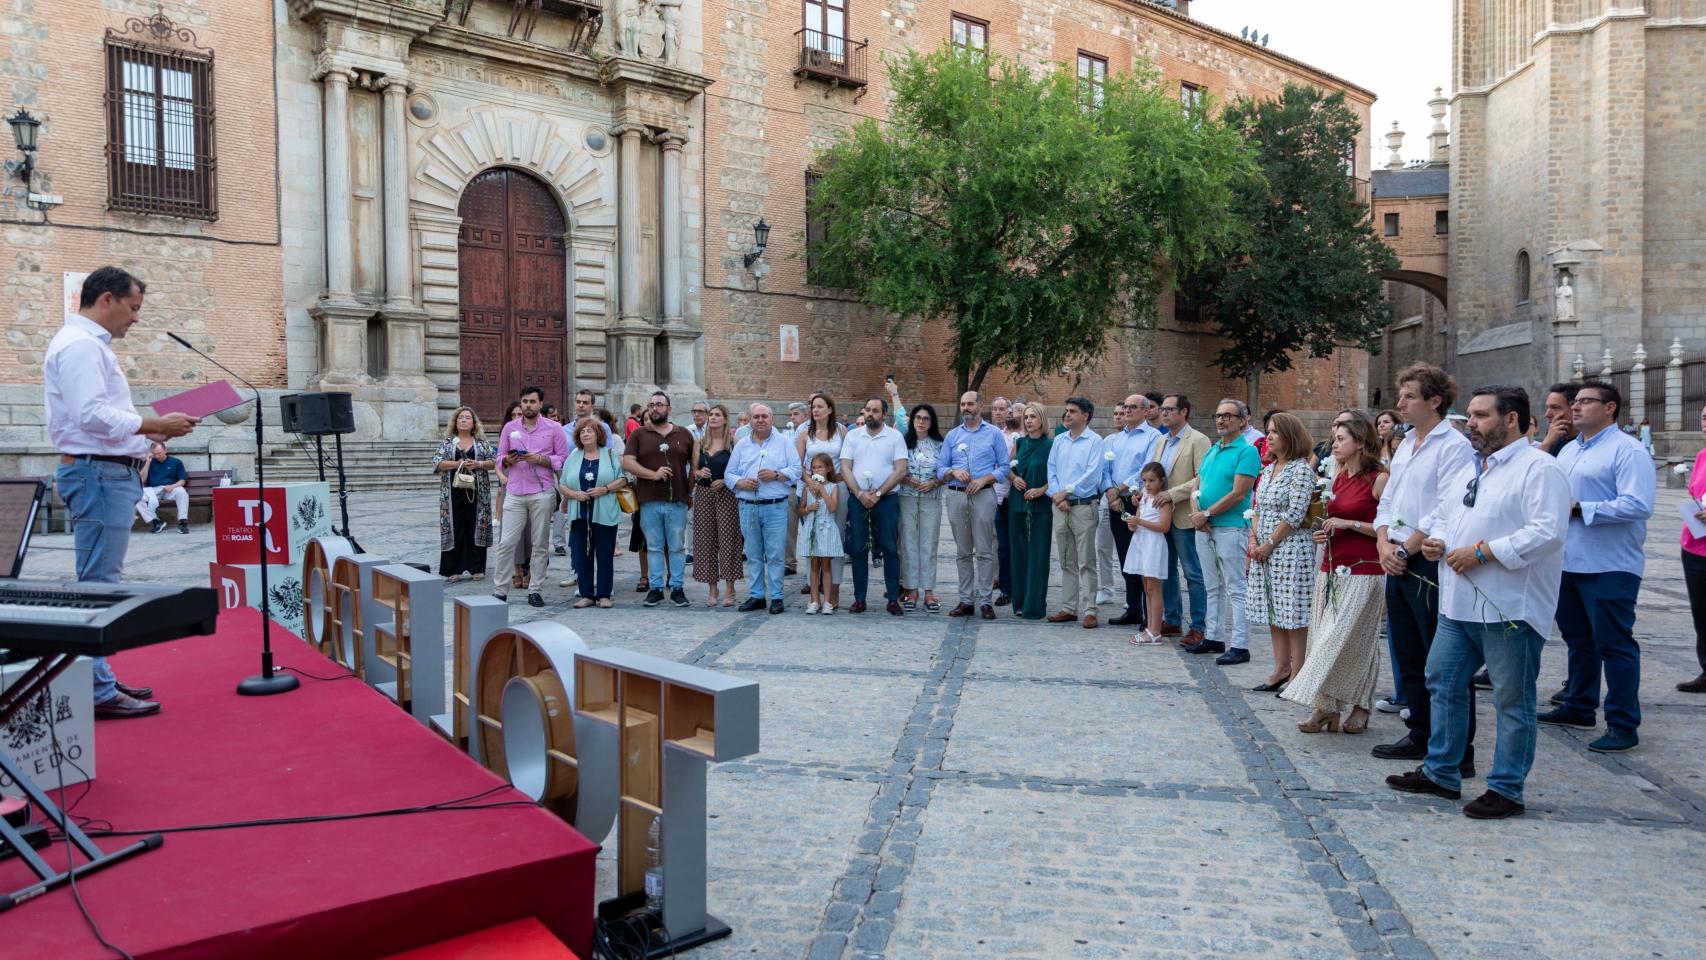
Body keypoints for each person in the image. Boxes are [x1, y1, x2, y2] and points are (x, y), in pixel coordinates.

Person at [1388, 385, 1570, 820]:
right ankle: (1441, 770)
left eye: (1481, 415)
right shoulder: (1475, 468)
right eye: (1470, 415)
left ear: (1512, 420)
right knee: (1442, 681)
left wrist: (1484, 552)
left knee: (1512, 699)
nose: (1470, 423)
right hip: (1458, 604)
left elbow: (1547, 532)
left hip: (1509, 608)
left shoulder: (1538, 468)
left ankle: (1506, 787)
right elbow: (1443, 516)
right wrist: (1434, 542)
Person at [45, 266, 198, 719]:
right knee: (98, 587)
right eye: (133, 309)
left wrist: (148, 439)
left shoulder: (88, 346)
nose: (136, 319)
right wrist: (155, 424)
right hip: (98, 475)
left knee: (100, 582)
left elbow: (99, 419)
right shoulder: (79, 347)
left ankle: (99, 678)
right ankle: (96, 691)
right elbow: (91, 415)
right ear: (107, 299)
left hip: (106, 472)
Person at [1372, 363, 1478, 770]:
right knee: (1408, 650)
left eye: (1409, 396)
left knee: (1441, 658)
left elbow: (1445, 507)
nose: (1400, 403)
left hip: (1424, 560)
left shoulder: (1453, 446)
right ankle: (1421, 731)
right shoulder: (1406, 444)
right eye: (1400, 395)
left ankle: (1456, 749)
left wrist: (1405, 550)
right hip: (1394, 553)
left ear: (1435, 401)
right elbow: (1389, 500)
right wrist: (1383, 540)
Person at [1543, 380, 1655, 752]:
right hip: (1568, 561)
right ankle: (1579, 704)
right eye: (1575, 402)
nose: (1576, 408)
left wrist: (1581, 509)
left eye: (1586, 402)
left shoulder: (1628, 450)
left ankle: (1623, 723)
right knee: (1578, 641)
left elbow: (1639, 504)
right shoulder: (1569, 450)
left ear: (1610, 408)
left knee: (1614, 644)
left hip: (1609, 564)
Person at [1284, 414, 1389, 733]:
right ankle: (1326, 707)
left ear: (1359, 442)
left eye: (1341, 439)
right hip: (1331, 566)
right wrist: (1323, 532)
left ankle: (1360, 704)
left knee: (1349, 639)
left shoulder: (1380, 478)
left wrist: (1350, 525)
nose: (1334, 444)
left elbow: (1392, 528)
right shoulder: (1335, 475)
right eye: (1334, 439)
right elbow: (1328, 517)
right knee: (1322, 636)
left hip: (1365, 568)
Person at [1184, 399, 1261, 664]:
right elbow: (1197, 482)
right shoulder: (1213, 449)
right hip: (1204, 526)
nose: (1221, 420)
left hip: (1229, 526)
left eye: (1228, 415)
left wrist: (1206, 513)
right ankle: (1214, 637)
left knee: (1236, 587)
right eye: (1218, 415)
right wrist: (1197, 513)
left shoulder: (1247, 451)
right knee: (1212, 585)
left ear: (1243, 421)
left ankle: (1240, 645)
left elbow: (1239, 491)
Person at [1246, 412, 1316, 683]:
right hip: (1265, 550)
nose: (1269, 437)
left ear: (1290, 436)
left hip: (1290, 550)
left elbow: (1295, 514)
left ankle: (1298, 671)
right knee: (1274, 609)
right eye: (1269, 431)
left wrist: (1269, 543)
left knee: (1294, 612)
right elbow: (1257, 509)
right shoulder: (1267, 470)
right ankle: (1280, 667)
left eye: (1275, 432)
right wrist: (1254, 541)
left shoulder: (1300, 470)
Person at [492, 385, 568, 608]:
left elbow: (562, 458)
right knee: (507, 542)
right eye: (524, 401)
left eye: (532, 401)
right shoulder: (510, 427)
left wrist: (541, 460)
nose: (528, 405)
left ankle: (535, 589)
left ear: (540, 404)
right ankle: (500, 591)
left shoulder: (554, 429)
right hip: (515, 491)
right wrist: (508, 461)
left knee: (540, 544)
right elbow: (499, 458)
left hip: (542, 492)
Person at [939, 391, 1009, 620]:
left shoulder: (994, 434)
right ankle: (966, 600)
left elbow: (1004, 468)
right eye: (962, 404)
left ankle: (986, 601)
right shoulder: (952, 436)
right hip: (957, 495)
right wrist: (952, 471)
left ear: (980, 405)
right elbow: (940, 469)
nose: (966, 408)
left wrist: (984, 479)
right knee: (962, 551)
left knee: (985, 551)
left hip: (983, 495)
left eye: (970, 404)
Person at [726, 403, 800, 613]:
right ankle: (757, 595)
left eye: (764, 416)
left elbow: (796, 469)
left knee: (776, 554)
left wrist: (776, 475)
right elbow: (729, 474)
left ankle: (777, 597)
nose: (760, 420)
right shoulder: (741, 445)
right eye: (756, 416)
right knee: (753, 553)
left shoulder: (784, 442)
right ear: (750, 420)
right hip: (748, 506)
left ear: (772, 418)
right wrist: (740, 482)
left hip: (775, 507)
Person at [624, 391, 695, 608]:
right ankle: (655, 589)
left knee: (676, 546)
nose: (655, 408)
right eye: (651, 404)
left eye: (659, 404)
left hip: (677, 501)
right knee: (654, 546)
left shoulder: (683, 434)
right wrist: (652, 474)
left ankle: (677, 588)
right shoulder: (639, 435)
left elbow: (694, 465)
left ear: (669, 409)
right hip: (649, 500)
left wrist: (688, 490)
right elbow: (627, 462)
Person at [841, 396, 909, 615]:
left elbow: (900, 469)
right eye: (867, 410)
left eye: (875, 410)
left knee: (890, 548)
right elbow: (845, 468)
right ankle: (859, 598)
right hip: (858, 500)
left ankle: (892, 599)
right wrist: (860, 494)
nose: (870, 414)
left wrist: (879, 493)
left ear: (884, 415)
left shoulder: (895, 437)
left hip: (887, 500)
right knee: (859, 548)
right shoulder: (853, 436)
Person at [1151, 395, 1210, 643]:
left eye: (1169, 409)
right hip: (1162, 515)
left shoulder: (1198, 440)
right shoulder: (1161, 440)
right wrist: (1145, 495)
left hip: (1185, 514)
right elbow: (1155, 474)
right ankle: (1173, 619)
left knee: (1193, 573)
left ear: (1184, 412)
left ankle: (1198, 625)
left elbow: (1201, 478)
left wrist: (1171, 494)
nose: (1164, 413)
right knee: (1166, 570)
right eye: (1162, 409)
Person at [1045, 396, 1105, 628]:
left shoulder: (1095, 441)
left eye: (1072, 411)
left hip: (1083, 506)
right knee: (1066, 559)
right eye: (1066, 410)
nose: (1067, 414)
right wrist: (1057, 496)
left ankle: (1090, 609)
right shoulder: (1059, 440)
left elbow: (1091, 475)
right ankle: (1069, 607)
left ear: (1085, 415)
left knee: (1086, 560)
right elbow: (1051, 471)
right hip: (1060, 507)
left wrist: (1065, 493)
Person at [559, 417, 627, 609]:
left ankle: (604, 594)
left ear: (598, 435)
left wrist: (604, 489)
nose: (586, 434)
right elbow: (562, 484)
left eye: (590, 431)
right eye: (583, 432)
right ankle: (586, 594)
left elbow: (622, 479)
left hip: (604, 511)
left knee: (605, 554)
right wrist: (574, 494)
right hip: (579, 513)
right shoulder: (573, 456)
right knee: (582, 554)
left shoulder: (610, 454)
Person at [1104, 394, 1159, 627]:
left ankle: (1149, 614)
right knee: (1125, 556)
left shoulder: (1154, 437)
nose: (1126, 411)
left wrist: (1120, 490)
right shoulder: (1116, 439)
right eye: (1125, 407)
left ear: (1146, 411)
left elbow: (1146, 468)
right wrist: (1110, 492)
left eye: (1132, 407)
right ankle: (1133, 608)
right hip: (1115, 501)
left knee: (1142, 557)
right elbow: (1104, 467)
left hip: (1137, 501)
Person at [433, 406, 496, 582]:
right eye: (460, 418)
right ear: (455, 421)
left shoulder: (482, 443)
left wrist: (478, 464)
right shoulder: (448, 442)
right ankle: (453, 569)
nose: (464, 420)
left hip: (478, 492)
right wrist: (457, 464)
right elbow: (437, 463)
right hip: (452, 492)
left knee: (476, 526)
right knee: (455, 527)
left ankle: (477, 567)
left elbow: (494, 461)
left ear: (473, 422)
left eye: (468, 418)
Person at [692, 404, 744, 606]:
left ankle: (730, 588)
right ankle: (712, 588)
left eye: (717, 415)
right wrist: (699, 473)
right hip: (704, 494)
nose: (713, 418)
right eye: (711, 414)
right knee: (706, 541)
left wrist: (725, 480)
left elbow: (739, 471)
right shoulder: (700, 443)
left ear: (725, 419)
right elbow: (693, 470)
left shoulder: (733, 443)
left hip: (727, 495)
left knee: (729, 541)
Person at [1006, 402, 1055, 621]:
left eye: (1033, 416)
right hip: (1017, 505)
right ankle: (1019, 602)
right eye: (1026, 417)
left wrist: (1042, 490)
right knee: (1019, 555)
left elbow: (1056, 476)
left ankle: (1034, 604)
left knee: (1037, 556)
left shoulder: (1051, 445)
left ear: (1042, 419)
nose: (1028, 421)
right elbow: (1006, 467)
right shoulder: (1020, 442)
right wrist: (1014, 478)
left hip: (1040, 506)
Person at [796, 392, 846, 601]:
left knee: (835, 539)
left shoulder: (841, 431)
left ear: (830, 409)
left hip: (836, 488)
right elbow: (797, 463)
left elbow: (847, 461)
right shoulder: (805, 433)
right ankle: (814, 591)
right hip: (810, 490)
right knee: (812, 538)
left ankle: (833, 591)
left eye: (819, 406)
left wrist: (831, 482)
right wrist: (811, 483)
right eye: (812, 406)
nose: (815, 410)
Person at [899, 403, 945, 611]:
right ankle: (911, 590)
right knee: (908, 544)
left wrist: (934, 482)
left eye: (926, 418)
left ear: (931, 422)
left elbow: (946, 471)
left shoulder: (939, 445)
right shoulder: (903, 442)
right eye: (918, 417)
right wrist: (907, 479)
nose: (921, 422)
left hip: (931, 498)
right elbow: (895, 467)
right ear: (912, 420)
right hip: (907, 497)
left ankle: (928, 591)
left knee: (929, 544)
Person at [1122, 462, 1173, 644]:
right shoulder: (1143, 497)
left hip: (1153, 544)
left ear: (1161, 480)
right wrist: (1132, 523)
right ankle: (1149, 628)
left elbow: (1164, 527)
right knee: (1147, 588)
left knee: (1154, 588)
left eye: (1152, 480)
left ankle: (1155, 631)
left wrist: (1141, 522)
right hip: (1141, 543)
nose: (1147, 484)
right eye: (1144, 480)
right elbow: (1138, 519)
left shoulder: (1162, 500)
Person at [798, 452, 844, 614]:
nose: (816, 470)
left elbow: (833, 507)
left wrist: (822, 491)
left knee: (826, 565)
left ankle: (828, 602)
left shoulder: (833, 487)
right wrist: (808, 508)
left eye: (820, 467)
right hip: (812, 528)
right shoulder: (806, 488)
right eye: (813, 468)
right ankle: (814, 600)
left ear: (828, 469)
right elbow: (800, 510)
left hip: (826, 529)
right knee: (813, 565)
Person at [1680, 403, 1706, 694]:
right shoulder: (1701, 456)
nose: (1705, 422)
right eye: (1703, 417)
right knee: (1702, 613)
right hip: (1695, 546)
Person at [493, 399, 529, 590]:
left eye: (519, 415)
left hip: (531, 482)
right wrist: (502, 477)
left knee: (530, 531)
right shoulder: (506, 433)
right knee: (509, 532)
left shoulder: (531, 432)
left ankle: (529, 570)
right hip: (510, 482)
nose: (516, 418)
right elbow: (497, 461)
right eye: (513, 415)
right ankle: (516, 571)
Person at [988, 396, 1015, 605]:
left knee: (1011, 544)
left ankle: (1012, 585)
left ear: (1009, 412)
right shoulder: (987, 434)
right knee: (999, 545)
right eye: (995, 409)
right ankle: (1003, 585)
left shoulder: (1016, 435)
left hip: (1013, 494)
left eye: (1002, 408)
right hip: (993, 495)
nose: (998, 412)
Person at [136, 440, 190, 534]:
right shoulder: (149, 462)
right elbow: (142, 479)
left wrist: (173, 486)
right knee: (137, 498)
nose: (157, 456)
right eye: (154, 454)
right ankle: (157, 521)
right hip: (153, 491)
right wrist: (148, 462)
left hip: (170, 489)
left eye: (159, 453)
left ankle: (183, 522)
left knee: (181, 492)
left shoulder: (176, 462)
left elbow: (182, 480)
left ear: (165, 450)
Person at [1539, 382, 1581, 456]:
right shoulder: (1553, 440)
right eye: (1548, 408)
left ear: (1575, 408)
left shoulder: (1586, 442)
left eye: (1555, 408)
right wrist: (1546, 444)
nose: (1547, 415)